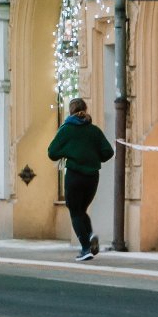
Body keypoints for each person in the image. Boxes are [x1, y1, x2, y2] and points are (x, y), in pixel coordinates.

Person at [47, 97, 114, 262]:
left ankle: (86, 248)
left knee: (75, 211)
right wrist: (93, 158)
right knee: (82, 209)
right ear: (85, 110)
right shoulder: (94, 131)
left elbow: (52, 152)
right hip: (92, 178)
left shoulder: (67, 129)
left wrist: (68, 152)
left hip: (75, 175)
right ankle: (90, 236)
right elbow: (108, 152)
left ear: (70, 111)